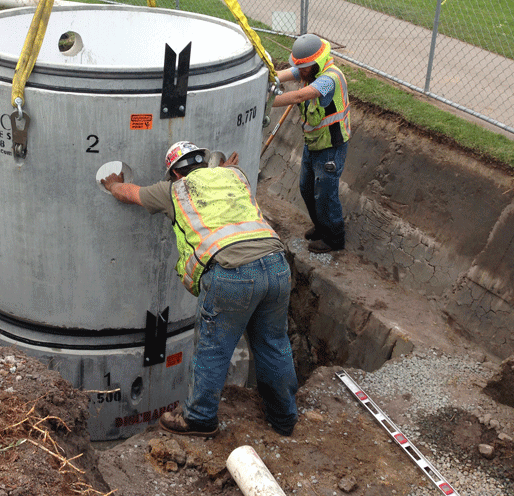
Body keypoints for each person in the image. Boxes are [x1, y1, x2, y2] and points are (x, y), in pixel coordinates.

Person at [101, 141, 298, 438]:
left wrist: (113, 183)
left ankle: (200, 418)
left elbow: (129, 193)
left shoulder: (174, 190)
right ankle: (284, 417)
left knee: (213, 349)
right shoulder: (234, 175)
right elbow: (225, 172)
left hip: (232, 273)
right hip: (277, 264)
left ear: (174, 173)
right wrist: (224, 166)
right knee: (274, 342)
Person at [273, 34, 351, 253]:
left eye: (305, 68)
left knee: (326, 193)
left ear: (315, 63)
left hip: (331, 146)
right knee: (306, 188)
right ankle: (321, 226)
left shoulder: (329, 79)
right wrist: (266, 80)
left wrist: (266, 100)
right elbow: (284, 75)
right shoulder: (310, 67)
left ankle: (334, 238)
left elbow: (300, 96)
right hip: (314, 142)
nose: (301, 73)